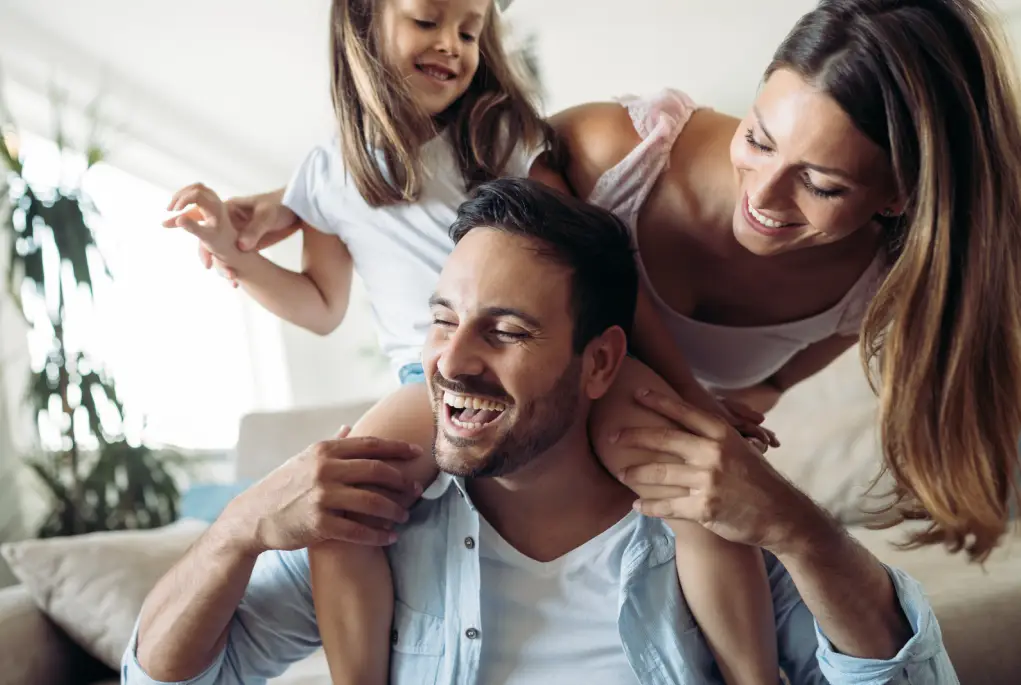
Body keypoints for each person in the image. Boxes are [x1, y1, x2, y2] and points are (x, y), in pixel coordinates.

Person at [227, 0, 1021, 567]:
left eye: (818, 184)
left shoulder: (885, 287)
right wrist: (297, 201)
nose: (763, 197)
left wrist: (734, 416)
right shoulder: (610, 152)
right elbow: (457, 166)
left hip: (632, 465)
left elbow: (771, 379)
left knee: (713, 530)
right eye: (758, 137)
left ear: (901, 197)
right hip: (522, 435)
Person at [165, 0, 782, 683]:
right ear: (364, 24)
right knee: (344, 508)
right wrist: (237, 255)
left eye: (469, 30)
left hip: (552, 358)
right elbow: (318, 307)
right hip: (422, 378)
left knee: (694, 487)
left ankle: (754, 674)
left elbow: (595, 269)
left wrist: (692, 399)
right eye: (428, 21)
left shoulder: (499, 138)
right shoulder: (324, 176)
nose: (452, 47)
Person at [127, 179, 957, 685]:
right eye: (442, 319)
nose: (450, 361)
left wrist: (799, 528)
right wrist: (237, 527)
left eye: (506, 331)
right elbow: (164, 677)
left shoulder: (706, 518)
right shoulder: (378, 522)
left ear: (600, 364)